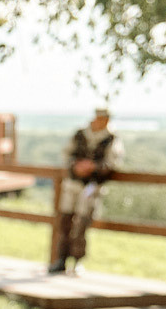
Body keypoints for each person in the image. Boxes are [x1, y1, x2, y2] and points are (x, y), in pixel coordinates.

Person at [50, 106, 121, 273]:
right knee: (65, 221)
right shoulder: (80, 134)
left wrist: (93, 167)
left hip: (92, 186)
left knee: (82, 223)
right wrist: (76, 165)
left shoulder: (111, 138)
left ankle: (77, 260)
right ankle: (61, 259)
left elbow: (113, 161)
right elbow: (66, 154)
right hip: (72, 183)